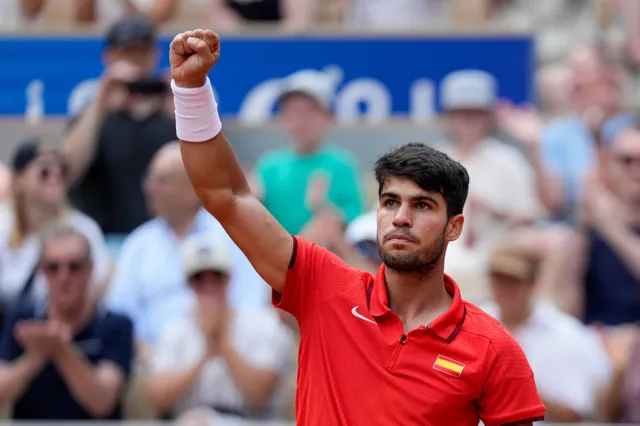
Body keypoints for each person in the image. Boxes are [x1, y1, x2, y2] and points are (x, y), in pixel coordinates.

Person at [168, 29, 545, 425]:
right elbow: (227, 196)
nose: (401, 217)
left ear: (455, 227)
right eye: (390, 202)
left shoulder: (494, 348)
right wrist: (191, 89)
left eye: (422, 205)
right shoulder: (321, 285)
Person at [147, 233, 292, 420]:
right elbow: (157, 397)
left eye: (216, 276)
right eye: (199, 278)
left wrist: (222, 341)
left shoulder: (262, 325)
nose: (209, 285)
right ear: (189, 285)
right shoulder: (175, 331)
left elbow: (260, 393)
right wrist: (205, 353)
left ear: (228, 279)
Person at [0, 224, 133, 419]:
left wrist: (62, 350)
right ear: (41, 272)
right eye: (53, 267)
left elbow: (102, 402)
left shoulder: (115, 325)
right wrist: (36, 356)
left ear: (90, 269)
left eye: (74, 266)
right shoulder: (22, 319)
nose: (64, 277)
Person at [64, 15, 176, 236]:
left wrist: (181, 110)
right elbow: (67, 171)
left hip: (171, 233)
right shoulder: (94, 114)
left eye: (142, 51)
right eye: (127, 52)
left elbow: (216, 170)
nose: (135, 60)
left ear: (155, 54)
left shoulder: (172, 108)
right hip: (107, 236)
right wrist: (101, 103)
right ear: (109, 56)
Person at [482, 235, 612, 422]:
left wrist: (516, 387)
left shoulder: (566, 335)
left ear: (532, 283)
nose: (504, 288)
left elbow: (574, 412)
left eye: (514, 280)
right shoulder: (470, 324)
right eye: (498, 279)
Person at [0, 141, 111, 319]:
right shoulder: (3, 227)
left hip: (71, 326)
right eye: (45, 172)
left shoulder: (85, 229)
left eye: (62, 171)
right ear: (18, 179)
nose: (55, 176)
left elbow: (99, 287)